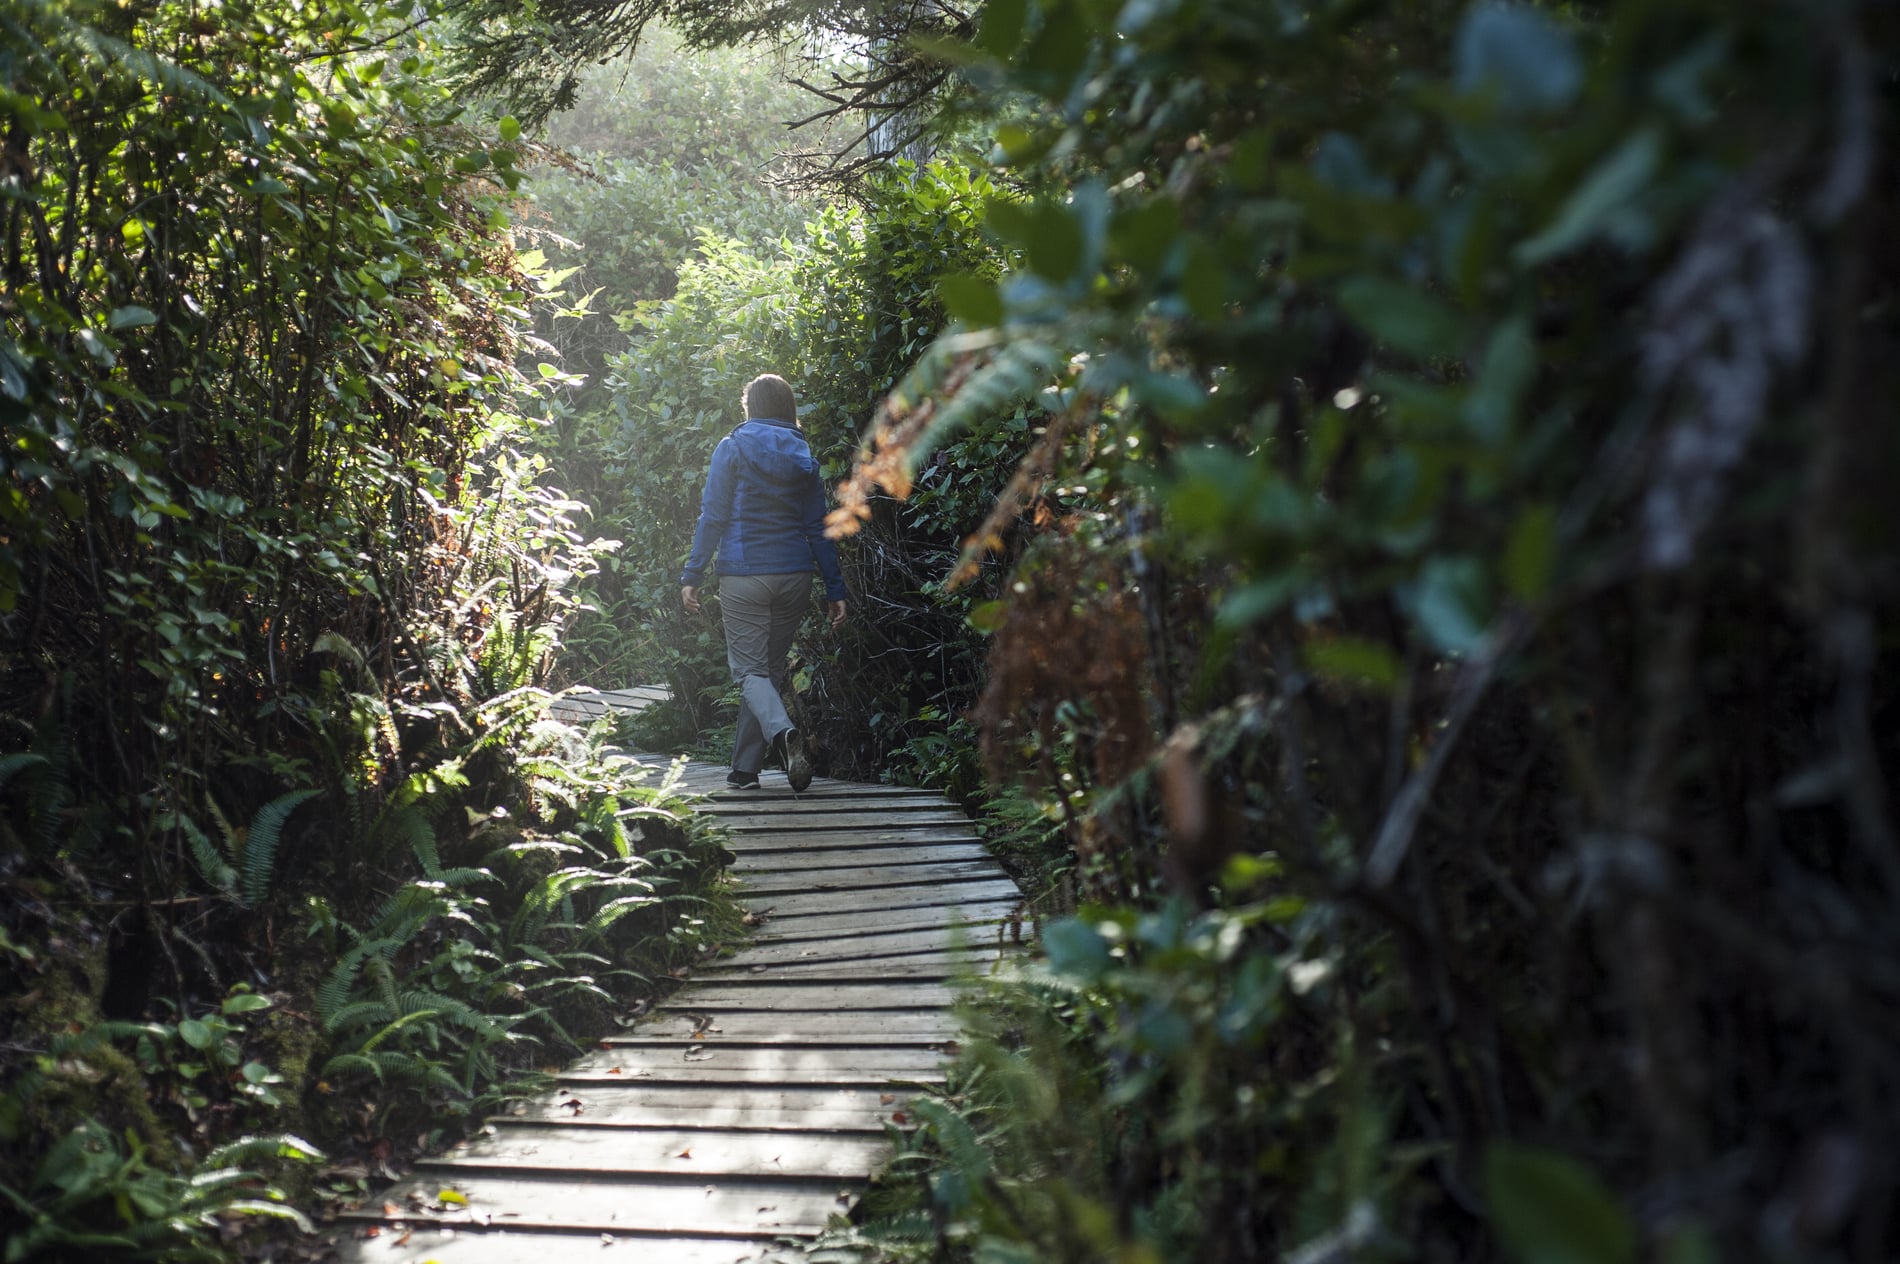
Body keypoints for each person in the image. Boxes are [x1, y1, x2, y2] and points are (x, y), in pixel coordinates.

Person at [678, 373, 847, 792]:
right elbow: (817, 526)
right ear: (788, 408)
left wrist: (693, 574)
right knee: (766, 672)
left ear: (750, 406)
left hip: (744, 574)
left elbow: (713, 516)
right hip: (795, 575)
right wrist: (834, 588)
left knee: (749, 672)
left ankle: (784, 734)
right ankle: (744, 771)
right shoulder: (803, 453)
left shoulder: (732, 447)